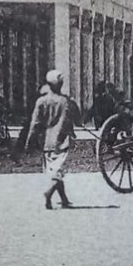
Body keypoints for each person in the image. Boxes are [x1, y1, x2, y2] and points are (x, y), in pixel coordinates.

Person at [25, 70, 79, 209]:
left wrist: (29, 142)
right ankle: (48, 193)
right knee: (58, 171)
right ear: (60, 84)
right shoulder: (65, 101)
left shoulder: (41, 101)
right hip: (61, 141)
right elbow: (70, 120)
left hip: (46, 141)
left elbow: (34, 123)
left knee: (55, 170)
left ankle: (64, 200)